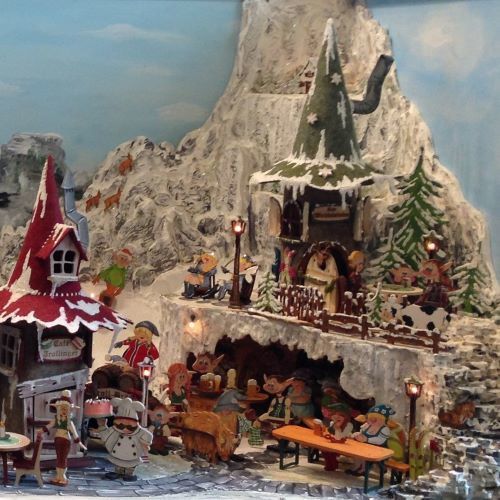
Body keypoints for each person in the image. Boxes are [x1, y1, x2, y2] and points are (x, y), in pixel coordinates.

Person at [38, 390, 86, 486]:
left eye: (65, 408)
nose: (63, 410)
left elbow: (75, 434)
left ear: (69, 410)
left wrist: (80, 444)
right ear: (58, 409)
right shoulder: (57, 420)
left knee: (63, 459)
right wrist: (41, 431)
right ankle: (58, 476)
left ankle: (62, 477)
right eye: (61, 408)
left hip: (65, 440)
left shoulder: (69, 422)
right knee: (58, 458)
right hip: (57, 440)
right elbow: (48, 426)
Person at [98, 398, 153, 481]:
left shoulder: (140, 432)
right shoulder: (114, 430)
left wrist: (145, 444)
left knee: (130, 466)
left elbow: (148, 436)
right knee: (118, 463)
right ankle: (118, 472)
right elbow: (104, 435)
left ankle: (129, 473)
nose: (125, 429)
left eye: (130, 426)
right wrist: (102, 426)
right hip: (118, 455)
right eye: (120, 426)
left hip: (133, 456)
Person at [348, 404, 394, 475]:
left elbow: (380, 440)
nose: (373, 420)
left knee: (363, 452)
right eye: (371, 418)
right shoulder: (367, 425)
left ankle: (363, 469)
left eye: (376, 418)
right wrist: (356, 435)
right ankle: (357, 466)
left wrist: (367, 439)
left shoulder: (385, 429)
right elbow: (361, 433)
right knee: (356, 450)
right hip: (366, 446)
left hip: (379, 449)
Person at [321, 402, 352, 471]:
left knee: (330, 451)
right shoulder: (332, 423)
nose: (337, 417)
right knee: (324, 449)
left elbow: (340, 437)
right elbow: (330, 433)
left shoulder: (348, 425)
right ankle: (330, 464)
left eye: (341, 415)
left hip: (344, 444)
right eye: (334, 414)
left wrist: (337, 428)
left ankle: (333, 464)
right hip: (333, 442)